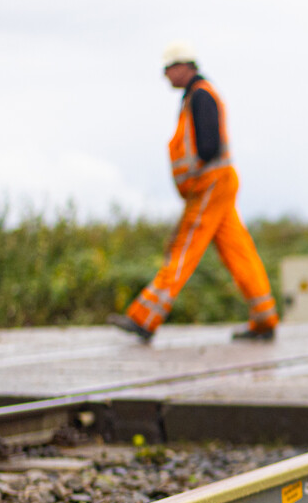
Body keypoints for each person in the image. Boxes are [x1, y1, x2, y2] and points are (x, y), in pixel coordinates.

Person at [109, 43, 279, 343]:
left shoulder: (201, 96)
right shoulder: (198, 96)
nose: (166, 77)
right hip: (219, 182)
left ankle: (145, 317)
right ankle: (264, 317)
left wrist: (196, 178)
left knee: (184, 246)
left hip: (211, 183)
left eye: (168, 69)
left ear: (184, 66)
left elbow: (208, 147)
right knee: (238, 250)